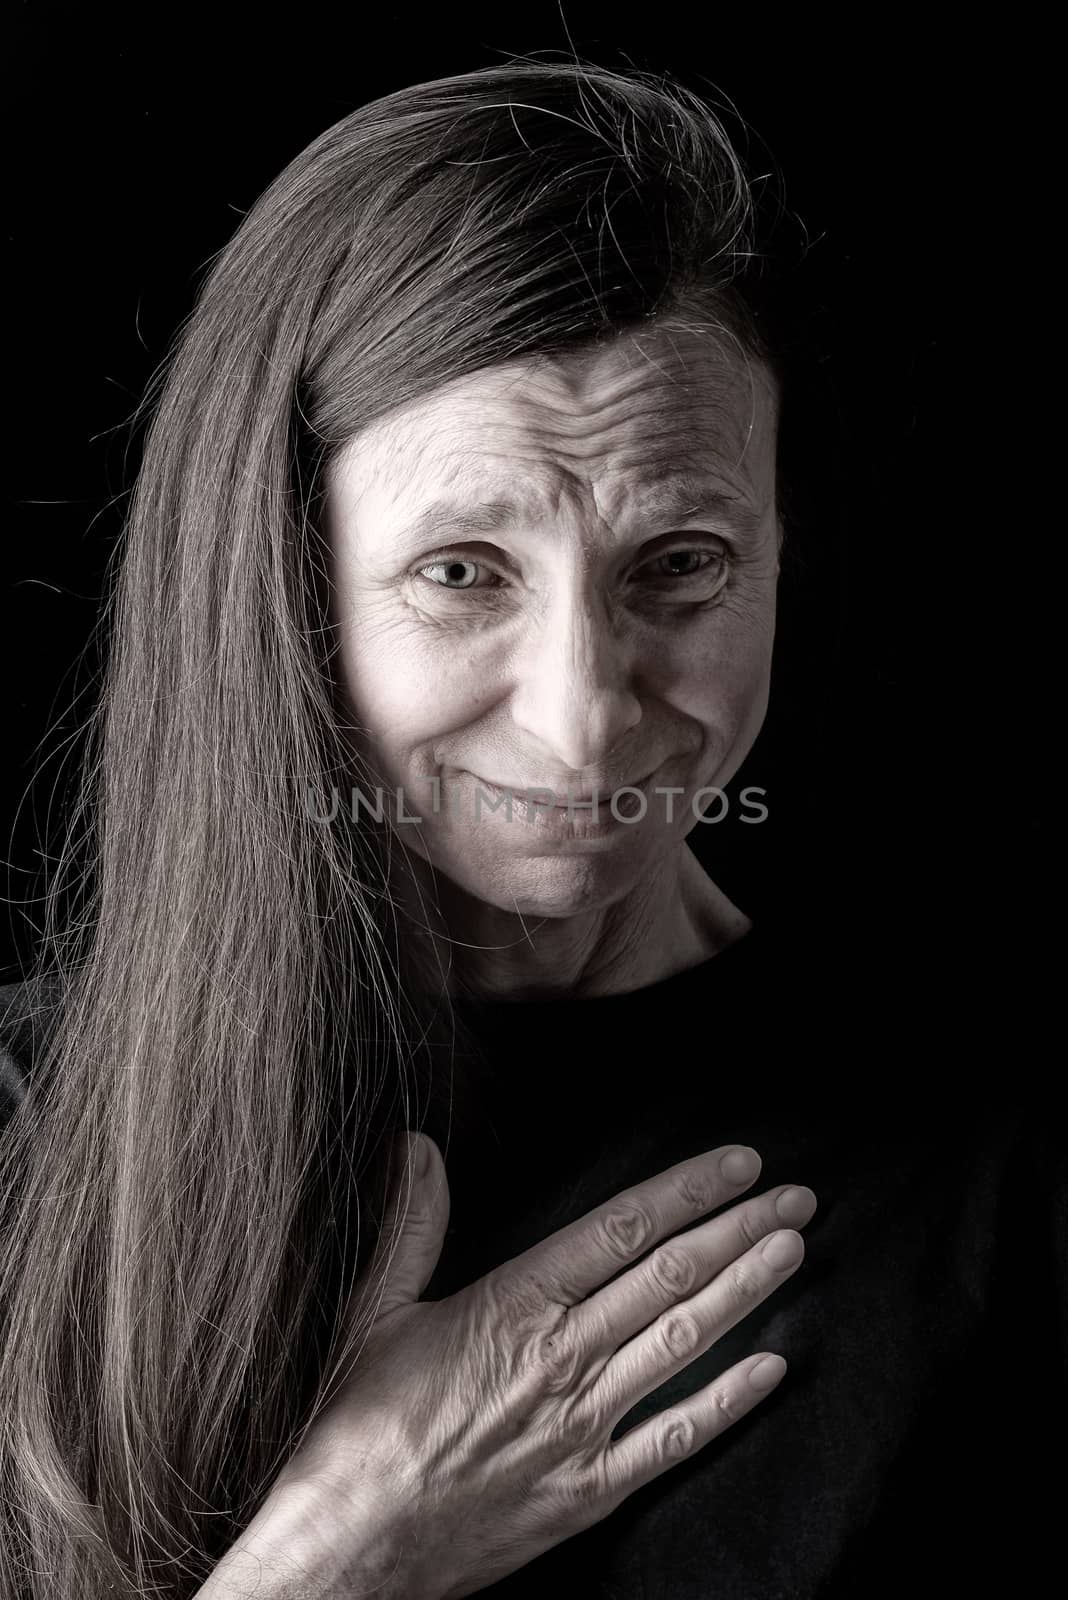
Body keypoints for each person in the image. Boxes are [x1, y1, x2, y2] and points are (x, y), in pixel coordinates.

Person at [1, 56, 1063, 1600]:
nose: (585, 720)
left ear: (782, 559)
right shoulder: (30, 1136)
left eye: (681, 562)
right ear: (285, 592)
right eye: (462, 572)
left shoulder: (1004, 1170)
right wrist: (343, 1555)